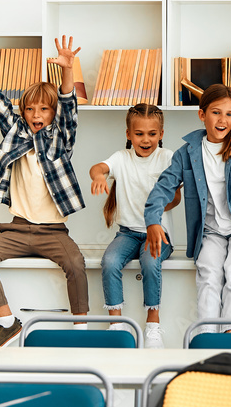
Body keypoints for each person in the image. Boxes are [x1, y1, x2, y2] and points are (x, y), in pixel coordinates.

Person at [0, 35, 89, 347]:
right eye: (30, 109)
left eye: (44, 109)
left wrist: (68, 70)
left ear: (53, 113)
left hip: (53, 232)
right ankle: (6, 322)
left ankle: (81, 329)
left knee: (75, 264)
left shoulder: (61, 140)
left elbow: (69, 108)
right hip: (17, 231)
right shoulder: (15, 133)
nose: (35, 115)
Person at [144, 84, 231, 334]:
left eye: (230, 114)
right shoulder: (186, 153)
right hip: (210, 232)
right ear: (202, 114)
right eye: (216, 112)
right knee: (208, 274)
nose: (222, 120)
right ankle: (206, 336)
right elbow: (163, 187)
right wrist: (152, 220)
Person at [89, 104, 181, 348]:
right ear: (129, 134)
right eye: (139, 133)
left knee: (150, 261)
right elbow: (98, 168)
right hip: (127, 233)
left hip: (160, 234)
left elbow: (176, 198)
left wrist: (154, 211)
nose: (146, 139)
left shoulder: (168, 157)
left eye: (152, 133)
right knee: (109, 261)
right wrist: (99, 176)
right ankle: (116, 327)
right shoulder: (121, 158)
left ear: (161, 134)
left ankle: (153, 326)